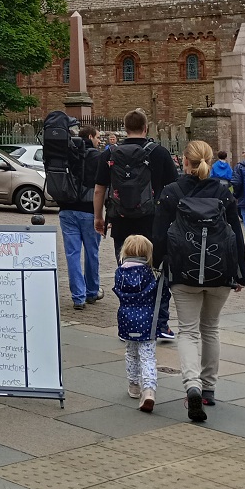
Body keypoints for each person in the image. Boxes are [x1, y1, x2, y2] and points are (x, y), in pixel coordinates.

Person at [153, 140, 245, 422]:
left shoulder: (171, 192)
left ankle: (191, 385)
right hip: (221, 272)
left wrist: (160, 264)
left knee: (188, 331)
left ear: (184, 161)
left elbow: (158, 235)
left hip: (183, 272)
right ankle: (209, 389)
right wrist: (240, 273)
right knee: (211, 329)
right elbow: (236, 234)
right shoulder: (223, 192)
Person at [94, 109, 178, 339]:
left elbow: (100, 189)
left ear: (125, 127)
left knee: (126, 272)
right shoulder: (159, 153)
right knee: (158, 272)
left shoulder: (109, 154)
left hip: (120, 222)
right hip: (154, 223)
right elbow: (173, 189)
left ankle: (130, 324)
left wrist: (98, 217)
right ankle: (160, 324)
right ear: (146, 128)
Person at [113, 235, 162, 413]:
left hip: (126, 319)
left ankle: (133, 385)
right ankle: (148, 389)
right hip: (147, 320)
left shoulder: (120, 273)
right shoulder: (150, 274)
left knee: (131, 353)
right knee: (147, 356)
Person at [59, 125, 104, 310]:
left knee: (72, 254)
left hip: (66, 210)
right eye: (98, 137)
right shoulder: (97, 156)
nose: (99, 140)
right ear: (91, 137)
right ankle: (92, 292)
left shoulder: (69, 154)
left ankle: (78, 297)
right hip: (88, 210)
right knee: (91, 252)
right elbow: (102, 187)